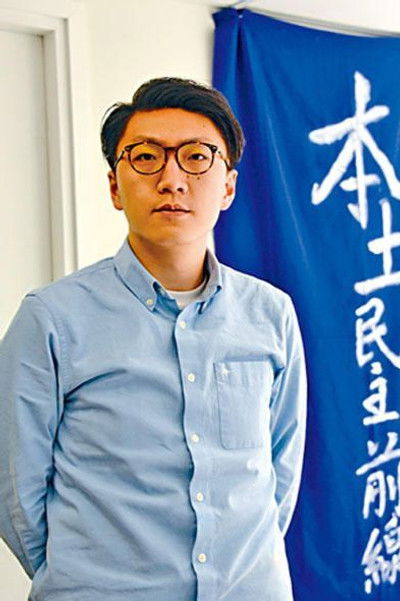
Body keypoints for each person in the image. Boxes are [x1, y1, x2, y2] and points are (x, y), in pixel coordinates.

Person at [0, 77, 307, 601]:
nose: (171, 180)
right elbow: (14, 486)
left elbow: (280, 472)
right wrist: (78, 577)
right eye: (145, 158)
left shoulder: (270, 313)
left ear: (228, 187)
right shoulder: (52, 318)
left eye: (196, 157)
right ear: (115, 187)